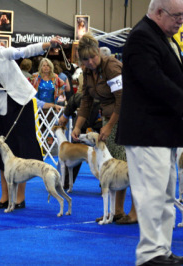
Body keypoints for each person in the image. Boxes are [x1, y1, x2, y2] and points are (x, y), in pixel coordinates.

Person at [116, 0, 183, 265]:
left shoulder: (166, 38)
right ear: (158, 12)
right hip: (146, 132)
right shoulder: (141, 37)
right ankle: (149, 254)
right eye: (177, 16)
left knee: (166, 196)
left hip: (164, 132)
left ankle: (161, 250)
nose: (180, 21)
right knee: (151, 196)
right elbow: (155, 82)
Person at [0, 34, 62, 209]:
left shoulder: (0, 53)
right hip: (3, 110)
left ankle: (19, 198)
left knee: (21, 150)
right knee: (3, 152)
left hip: (22, 104)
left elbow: (24, 51)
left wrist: (48, 44)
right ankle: (5, 197)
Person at [71, 33, 137, 225]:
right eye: (85, 59)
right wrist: (77, 126)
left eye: (93, 57)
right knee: (116, 165)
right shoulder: (87, 72)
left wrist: (109, 125)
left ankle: (134, 212)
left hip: (127, 116)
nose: (90, 61)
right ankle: (116, 212)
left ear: (98, 52)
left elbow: (122, 99)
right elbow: (86, 101)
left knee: (126, 166)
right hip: (110, 117)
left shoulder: (112, 66)